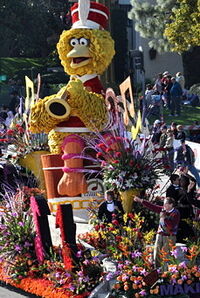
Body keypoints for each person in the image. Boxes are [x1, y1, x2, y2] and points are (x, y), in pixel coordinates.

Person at [134, 196, 180, 269]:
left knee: (166, 255)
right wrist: (140, 200)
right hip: (160, 234)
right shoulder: (163, 209)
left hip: (169, 236)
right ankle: (157, 270)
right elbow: (152, 206)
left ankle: (166, 273)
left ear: (171, 205)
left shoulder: (175, 213)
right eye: (164, 204)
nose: (164, 206)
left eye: (166, 204)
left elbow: (172, 226)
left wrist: (164, 218)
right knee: (157, 253)